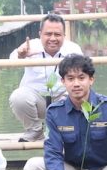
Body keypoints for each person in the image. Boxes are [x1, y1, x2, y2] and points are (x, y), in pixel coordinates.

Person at [9, 14, 82, 142]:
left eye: (57, 34)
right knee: (18, 97)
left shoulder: (73, 49)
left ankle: (66, 129)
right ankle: (35, 130)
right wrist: (21, 56)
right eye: (48, 34)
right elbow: (11, 61)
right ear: (40, 34)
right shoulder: (30, 45)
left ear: (64, 36)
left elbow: (84, 76)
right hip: (37, 101)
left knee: (79, 93)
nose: (53, 38)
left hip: (62, 98)